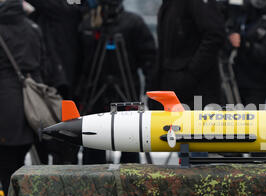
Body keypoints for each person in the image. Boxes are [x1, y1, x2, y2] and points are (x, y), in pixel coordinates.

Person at [78, 0, 157, 164]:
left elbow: (150, 61)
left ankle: (129, 184)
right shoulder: (89, 24)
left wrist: (152, 92)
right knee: (94, 146)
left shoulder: (133, 23)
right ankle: (93, 185)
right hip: (96, 94)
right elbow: (81, 64)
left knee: (130, 144)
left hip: (126, 93)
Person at [26, 0, 83, 165]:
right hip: (59, 79)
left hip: (59, 82)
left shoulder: (60, 10)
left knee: (59, 137)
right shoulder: (67, 10)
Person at [0, 0, 45, 196]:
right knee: (22, 160)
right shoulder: (33, 28)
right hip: (32, 102)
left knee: (7, 164)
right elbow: (44, 62)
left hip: (5, 103)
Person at [151, 0, 226, 111]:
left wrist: (190, 74)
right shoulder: (168, 4)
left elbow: (214, 35)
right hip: (173, 92)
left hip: (197, 94)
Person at [228, 0, 266, 109]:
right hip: (236, 75)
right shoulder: (246, 8)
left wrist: (244, 43)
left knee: (251, 120)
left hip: (258, 81)